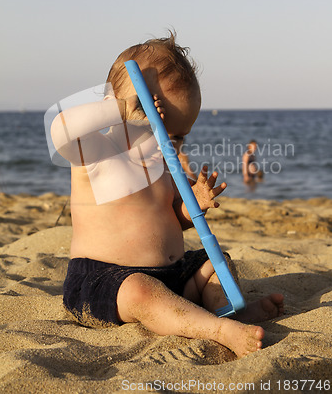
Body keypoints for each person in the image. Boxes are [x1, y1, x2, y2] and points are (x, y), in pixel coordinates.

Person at [49, 32, 283, 358]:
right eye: (164, 133)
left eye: (180, 139)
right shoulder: (96, 153)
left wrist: (190, 210)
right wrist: (120, 109)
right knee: (141, 292)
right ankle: (216, 329)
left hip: (171, 277)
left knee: (216, 264)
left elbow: (171, 220)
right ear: (119, 109)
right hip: (106, 280)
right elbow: (60, 128)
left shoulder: (159, 166)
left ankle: (228, 311)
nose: (171, 147)